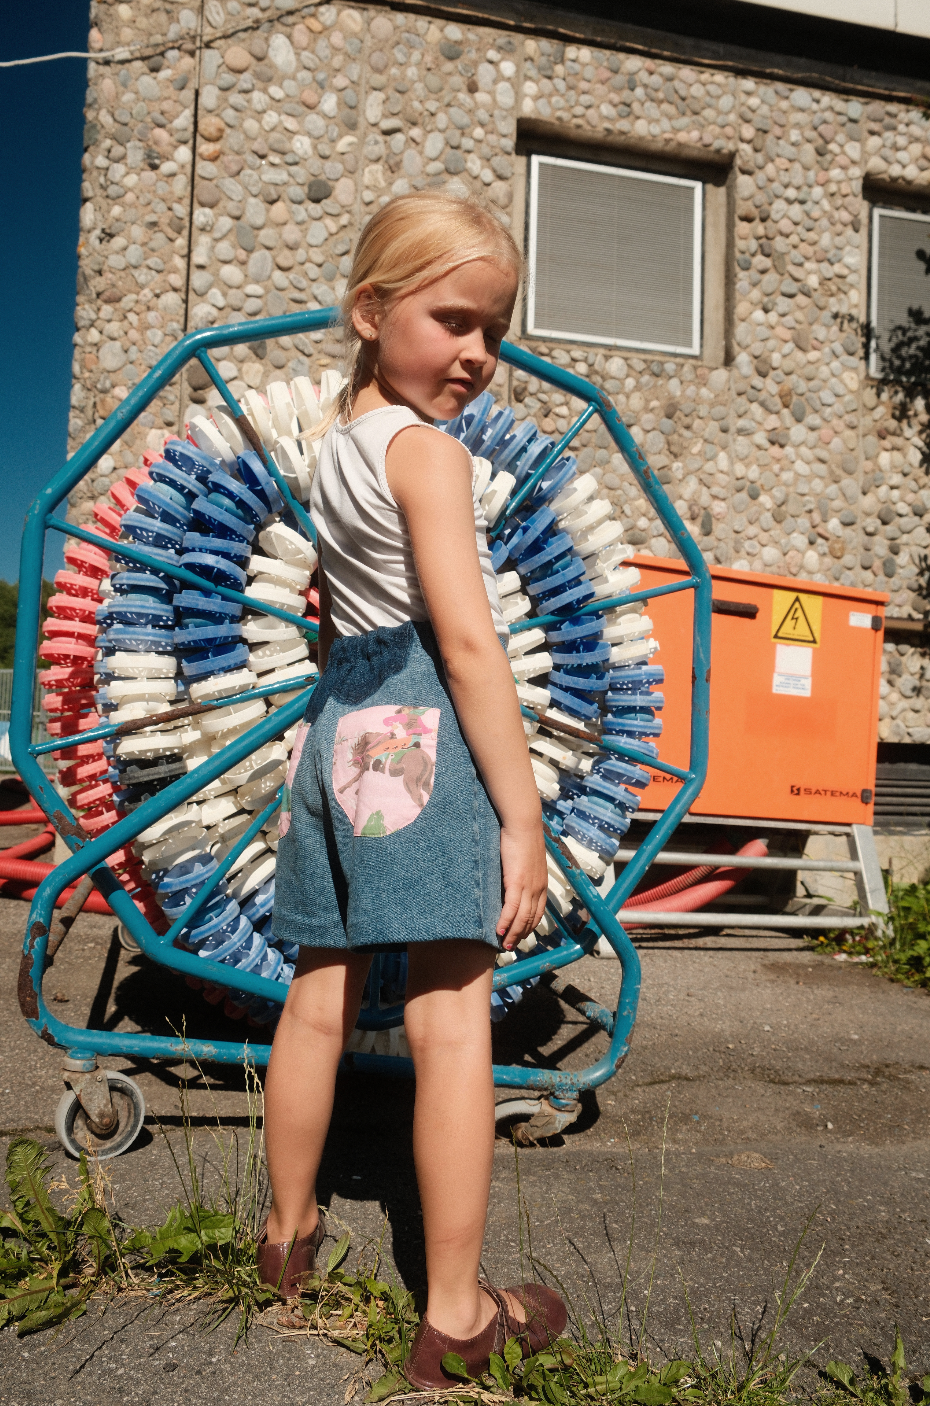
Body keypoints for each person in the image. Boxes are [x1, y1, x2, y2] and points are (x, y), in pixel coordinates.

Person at [262, 192, 567, 1386]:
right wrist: (525, 812)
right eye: (453, 320)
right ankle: (457, 1309)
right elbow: (472, 643)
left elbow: (344, 612)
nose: (478, 353)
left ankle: (286, 1236)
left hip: (339, 729)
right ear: (371, 310)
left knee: (317, 995)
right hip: (419, 726)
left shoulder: (340, 441)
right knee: (450, 1020)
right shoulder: (429, 452)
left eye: (493, 327)